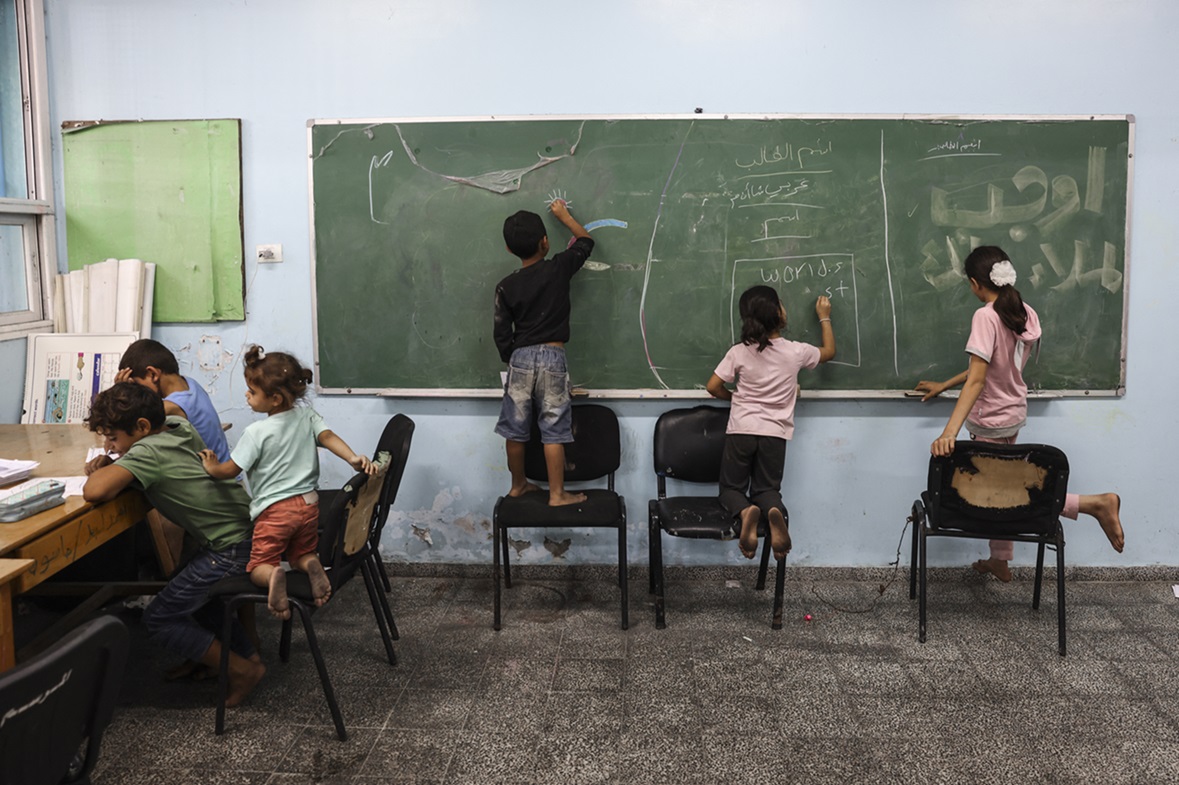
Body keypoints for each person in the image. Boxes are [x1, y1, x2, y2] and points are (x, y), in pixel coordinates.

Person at [916, 245, 1124, 582]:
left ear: (974, 283)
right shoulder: (1023, 311)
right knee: (1001, 488)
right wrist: (945, 384)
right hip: (1012, 413)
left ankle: (1093, 504)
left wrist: (948, 433)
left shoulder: (985, 316)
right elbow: (986, 366)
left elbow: (979, 378)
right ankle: (999, 559)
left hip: (990, 419)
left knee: (1001, 494)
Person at [82, 382, 264, 707]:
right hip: (249, 534)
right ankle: (246, 658)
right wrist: (118, 460)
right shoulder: (179, 426)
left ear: (142, 427)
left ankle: (240, 670)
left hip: (230, 548)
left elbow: (95, 491)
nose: (109, 447)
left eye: (113, 438)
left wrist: (103, 467)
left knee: (160, 618)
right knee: (199, 599)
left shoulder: (146, 453)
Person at [199, 345, 374, 620]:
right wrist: (352, 457)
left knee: (259, 565)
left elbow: (230, 470)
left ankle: (272, 576)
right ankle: (312, 564)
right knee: (300, 554)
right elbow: (328, 437)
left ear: (275, 399)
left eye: (252, 391)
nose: (247, 395)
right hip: (309, 505)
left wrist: (212, 467)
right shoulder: (307, 417)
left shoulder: (256, 432)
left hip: (275, 512)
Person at [706, 286, 836, 560]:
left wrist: (735, 399)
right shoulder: (796, 351)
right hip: (775, 434)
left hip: (741, 430)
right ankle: (773, 511)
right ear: (779, 314)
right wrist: (824, 316)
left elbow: (713, 386)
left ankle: (746, 512)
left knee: (731, 489)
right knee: (767, 489)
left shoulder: (739, 352)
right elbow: (829, 351)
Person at [493, 198, 594, 506]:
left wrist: (513, 358)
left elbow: (501, 332)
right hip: (552, 357)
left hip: (520, 358)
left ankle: (518, 485)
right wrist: (565, 216)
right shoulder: (558, 268)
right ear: (545, 242)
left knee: (515, 429)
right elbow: (586, 242)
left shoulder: (506, 286)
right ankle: (557, 493)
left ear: (508, 249)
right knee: (553, 428)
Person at [116, 338, 230, 462]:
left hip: (212, 472)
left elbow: (127, 428)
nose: (137, 391)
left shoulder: (171, 407)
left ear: (152, 374)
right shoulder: (190, 384)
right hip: (223, 466)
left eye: (136, 385)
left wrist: (123, 393)